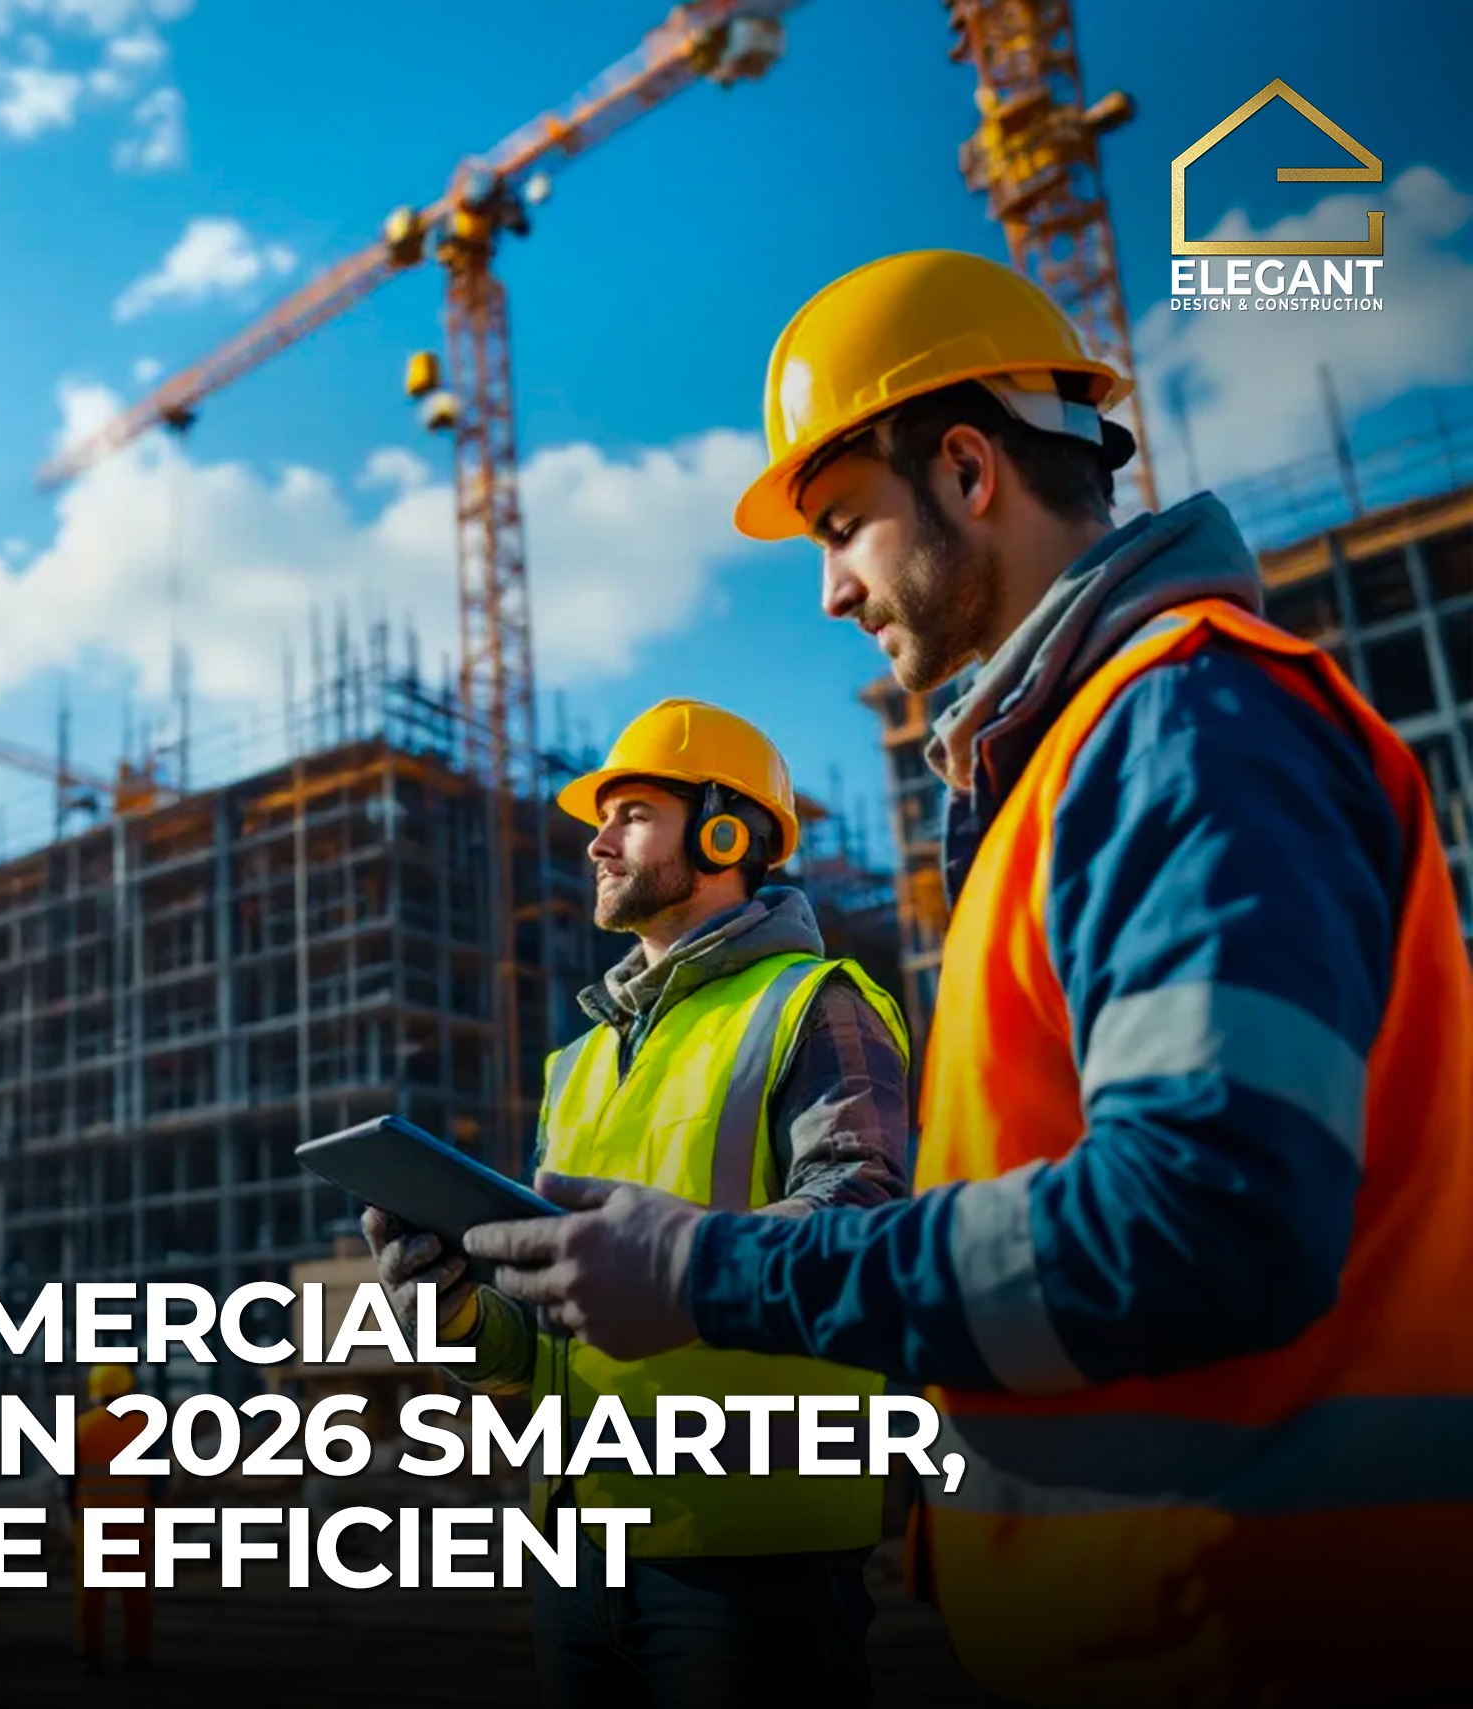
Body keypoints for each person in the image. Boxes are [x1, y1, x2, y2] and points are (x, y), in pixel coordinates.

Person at [461, 249, 1473, 1707]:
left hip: (1270, 1616)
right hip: (1149, 1623)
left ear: (965, 468)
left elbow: (1206, 1221)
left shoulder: (1185, 717)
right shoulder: (1066, 772)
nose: (826, 593)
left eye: (843, 525)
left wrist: (706, 1271)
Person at [367, 699, 914, 1708]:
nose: (595, 839)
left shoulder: (812, 1002)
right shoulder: (575, 1066)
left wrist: (677, 1262)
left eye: (630, 813)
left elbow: (858, 1231)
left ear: (724, 832)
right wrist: (450, 1312)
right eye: (599, 816)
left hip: (745, 1554)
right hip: (575, 1545)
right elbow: (542, 1342)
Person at [71, 1362, 154, 1674]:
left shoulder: (82, 1425)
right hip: (133, 1519)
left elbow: (69, 1478)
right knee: (136, 1591)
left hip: (91, 1520)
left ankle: (89, 1652)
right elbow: (159, 1478)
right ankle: (139, 1654)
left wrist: (73, 1513)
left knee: (91, 1591)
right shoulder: (144, 1426)